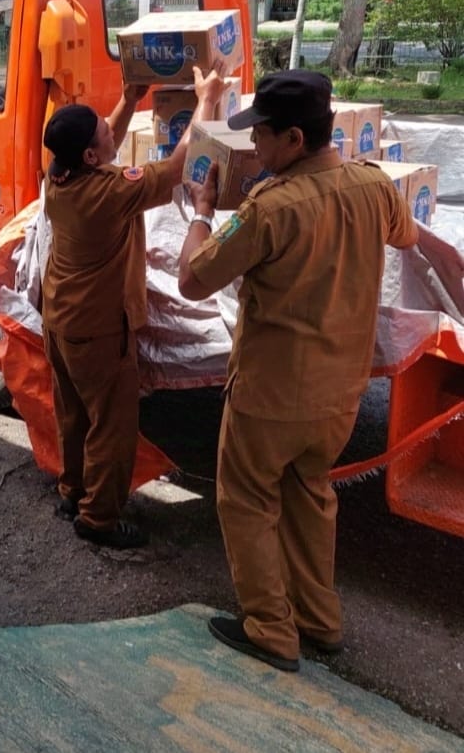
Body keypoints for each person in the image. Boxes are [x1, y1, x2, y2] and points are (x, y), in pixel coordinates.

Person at [177, 68, 448, 672]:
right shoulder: (373, 187)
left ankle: (271, 629)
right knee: (310, 495)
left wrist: (200, 212)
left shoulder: (269, 207)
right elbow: (407, 235)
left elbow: (192, 280)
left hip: (271, 393)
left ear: (294, 140)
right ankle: (320, 621)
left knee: (246, 500)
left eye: (263, 137)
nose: (254, 149)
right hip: (339, 392)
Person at [41, 66, 224, 550]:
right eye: (103, 128)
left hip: (60, 319)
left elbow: (103, 145)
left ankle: (72, 491)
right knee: (111, 424)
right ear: (91, 154)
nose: (110, 126)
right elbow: (180, 165)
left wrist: (128, 99)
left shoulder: (59, 173)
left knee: (73, 414)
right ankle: (97, 519)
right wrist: (206, 100)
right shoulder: (108, 191)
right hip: (98, 329)